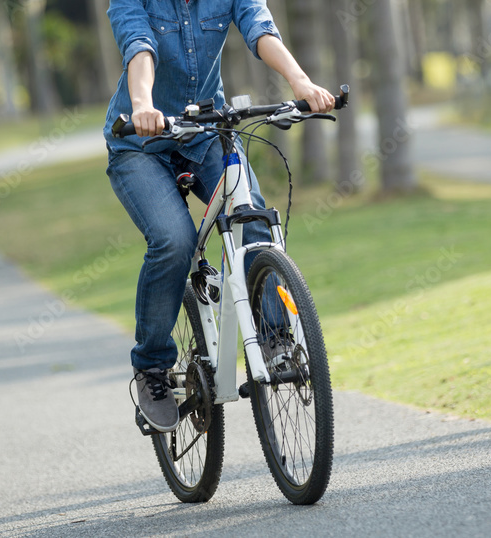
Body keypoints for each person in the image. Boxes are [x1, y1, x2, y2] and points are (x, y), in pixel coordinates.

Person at [105, 0, 334, 432]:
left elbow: (259, 27)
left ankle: (276, 340)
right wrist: (142, 104)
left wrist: (300, 83)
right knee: (175, 240)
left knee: (252, 221)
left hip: (206, 134)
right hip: (140, 143)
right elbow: (139, 45)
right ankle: (153, 368)